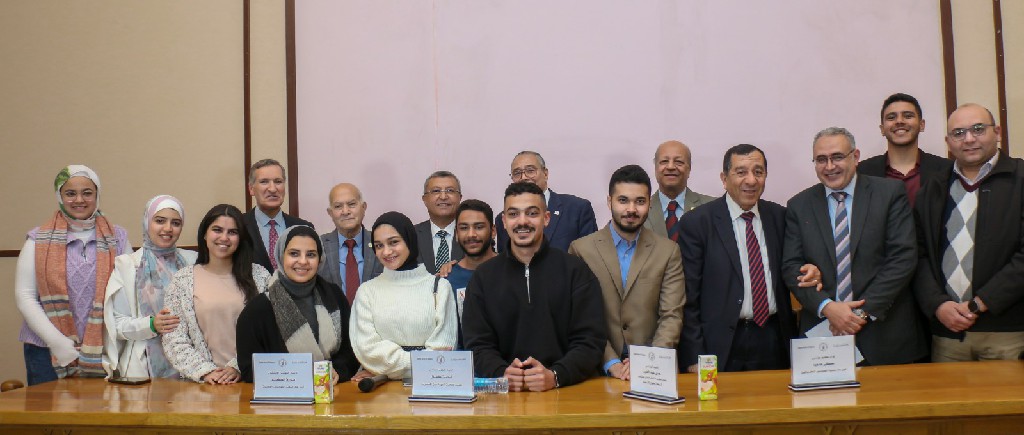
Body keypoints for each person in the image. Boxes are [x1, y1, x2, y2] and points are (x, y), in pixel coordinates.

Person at [783, 127, 927, 366]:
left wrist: (857, 314)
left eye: (837, 157)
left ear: (856, 156)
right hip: (823, 336)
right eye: (821, 159)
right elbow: (791, 266)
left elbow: (902, 258)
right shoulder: (799, 205)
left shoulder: (889, 193)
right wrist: (827, 307)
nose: (830, 166)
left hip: (885, 335)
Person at [679, 145, 820, 373]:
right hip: (721, 344)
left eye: (758, 172)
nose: (751, 180)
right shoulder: (698, 223)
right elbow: (688, 297)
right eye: (741, 172)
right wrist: (695, 356)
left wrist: (810, 268)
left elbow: (794, 264)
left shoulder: (780, 216)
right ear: (724, 179)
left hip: (774, 338)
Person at [463, 182, 606, 392]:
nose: (522, 221)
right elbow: (476, 343)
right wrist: (501, 373)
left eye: (532, 213)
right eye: (513, 214)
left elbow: (591, 340)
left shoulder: (575, 271)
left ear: (546, 218)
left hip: (566, 392)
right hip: (506, 396)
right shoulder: (483, 277)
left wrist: (556, 375)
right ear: (504, 221)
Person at [915, 103, 1024, 362]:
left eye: (978, 129)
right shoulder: (934, 187)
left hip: (1007, 332)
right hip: (948, 333)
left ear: (997, 132)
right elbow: (917, 254)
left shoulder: (1020, 178)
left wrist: (981, 303)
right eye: (959, 133)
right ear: (948, 142)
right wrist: (938, 304)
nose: (969, 139)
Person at [14, 165, 131, 385]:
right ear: (59, 196)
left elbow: (127, 294)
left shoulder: (118, 238)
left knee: (100, 407)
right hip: (45, 350)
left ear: (97, 195)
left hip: (103, 349)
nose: (79, 200)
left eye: (87, 193)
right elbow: (25, 296)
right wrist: (57, 342)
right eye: (70, 193)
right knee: (46, 408)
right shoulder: (37, 239)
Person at [568, 165, 684, 381]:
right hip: (596, 368)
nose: (631, 209)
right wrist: (611, 362)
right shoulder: (581, 250)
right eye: (623, 200)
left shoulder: (668, 251)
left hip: (655, 372)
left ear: (649, 203)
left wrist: (649, 361)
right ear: (609, 201)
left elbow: (672, 314)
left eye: (640, 201)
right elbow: (580, 317)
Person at [236, 225, 361, 383]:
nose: (303, 261)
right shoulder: (257, 310)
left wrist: (337, 370)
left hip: (332, 390)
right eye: (294, 253)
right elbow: (248, 368)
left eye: (311, 254)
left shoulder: (334, 296)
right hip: (283, 395)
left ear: (320, 259)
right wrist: (296, 375)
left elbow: (351, 351)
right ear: (281, 256)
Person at [162, 204, 271, 383]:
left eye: (232, 232)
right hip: (202, 384)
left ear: (240, 238)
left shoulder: (260, 277)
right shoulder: (182, 280)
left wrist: (237, 366)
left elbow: (270, 331)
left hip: (251, 380)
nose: (224, 238)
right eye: (217, 230)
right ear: (205, 234)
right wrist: (206, 371)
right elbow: (174, 337)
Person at [349, 212, 458, 380]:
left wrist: (384, 370)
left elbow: (444, 351)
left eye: (393, 242)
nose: (386, 252)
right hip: (382, 391)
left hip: (432, 385)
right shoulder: (366, 291)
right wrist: (422, 362)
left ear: (409, 240)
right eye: (379, 245)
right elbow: (367, 349)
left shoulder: (440, 287)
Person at [103, 195, 197, 379]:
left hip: (191, 365)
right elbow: (116, 324)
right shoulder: (127, 265)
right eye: (160, 221)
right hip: (143, 368)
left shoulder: (192, 261)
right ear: (147, 222)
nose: (168, 228)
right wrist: (151, 325)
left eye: (176, 223)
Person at [858, 93, 952, 207]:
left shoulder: (946, 170)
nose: (899, 121)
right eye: (891, 117)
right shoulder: (862, 173)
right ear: (882, 129)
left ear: (922, 125)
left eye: (908, 116)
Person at [494, 151, 597, 252]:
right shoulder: (504, 219)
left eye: (530, 170)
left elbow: (591, 255)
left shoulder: (577, 208)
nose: (524, 177)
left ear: (545, 174)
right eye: (517, 173)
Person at [438, 199, 498, 349]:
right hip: (463, 361)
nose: (471, 234)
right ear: (456, 234)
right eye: (464, 228)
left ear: (493, 231)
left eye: (479, 227)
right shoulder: (447, 280)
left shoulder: (512, 272)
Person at [242, 159, 314, 272]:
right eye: (264, 182)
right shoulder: (239, 226)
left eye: (278, 181)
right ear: (251, 189)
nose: (272, 189)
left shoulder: (304, 227)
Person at [319, 183, 383, 305]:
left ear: (363, 207)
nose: (345, 211)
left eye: (352, 204)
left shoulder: (380, 243)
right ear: (330, 212)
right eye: (338, 206)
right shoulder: (318, 246)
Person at [644, 140, 715, 241]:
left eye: (679, 162)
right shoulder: (641, 210)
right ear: (656, 168)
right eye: (664, 161)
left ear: (689, 169)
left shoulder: (711, 207)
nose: (671, 167)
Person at [414, 171, 465, 274]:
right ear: (425, 199)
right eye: (436, 191)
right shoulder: (410, 235)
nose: (443, 197)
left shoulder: (471, 235)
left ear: (460, 198)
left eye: (450, 190)